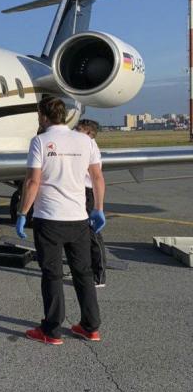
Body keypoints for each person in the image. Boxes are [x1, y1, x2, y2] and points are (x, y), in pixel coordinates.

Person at [15, 97, 106, 345]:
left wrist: (23, 213)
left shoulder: (40, 141)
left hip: (49, 219)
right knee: (83, 273)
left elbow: (33, 181)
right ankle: (90, 327)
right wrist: (98, 208)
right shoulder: (85, 140)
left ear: (44, 117)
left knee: (52, 275)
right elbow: (97, 177)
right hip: (78, 219)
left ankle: (52, 330)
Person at [75, 119, 107, 287]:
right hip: (80, 192)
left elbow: (97, 177)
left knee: (92, 234)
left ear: (88, 133)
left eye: (78, 129)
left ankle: (99, 275)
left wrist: (98, 207)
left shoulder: (90, 146)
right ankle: (86, 269)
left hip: (88, 193)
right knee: (81, 234)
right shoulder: (82, 145)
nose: (74, 131)